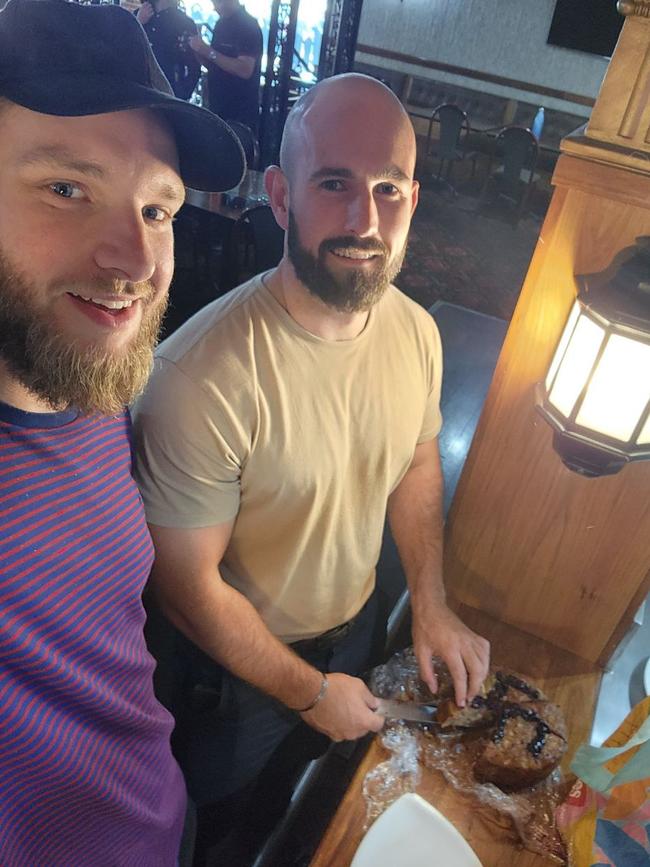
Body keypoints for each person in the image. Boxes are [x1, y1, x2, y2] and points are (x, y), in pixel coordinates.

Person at [133, 73, 490, 864]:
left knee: (305, 806)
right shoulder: (199, 377)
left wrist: (430, 603)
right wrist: (304, 691)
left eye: (388, 189)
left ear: (413, 201)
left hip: (356, 628)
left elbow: (417, 459)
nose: (366, 219)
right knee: (214, 831)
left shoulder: (416, 332)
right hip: (232, 674)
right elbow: (186, 589)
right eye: (335, 183)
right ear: (282, 194)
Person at [0, 1, 244, 865]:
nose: (137, 264)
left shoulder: (91, 390)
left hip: (160, 816)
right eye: (67, 188)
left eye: (158, 210)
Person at [189, 0, 262, 131]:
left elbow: (245, 70)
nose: (214, 8)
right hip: (218, 108)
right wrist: (198, 52)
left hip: (240, 113)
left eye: (216, 3)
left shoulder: (249, 26)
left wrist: (207, 51)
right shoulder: (220, 24)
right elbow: (216, 65)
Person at [137, 0, 201, 101]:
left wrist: (181, 95)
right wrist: (138, 22)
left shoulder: (184, 22)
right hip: (140, 94)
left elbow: (194, 66)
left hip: (170, 94)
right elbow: (124, 51)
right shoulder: (137, 16)